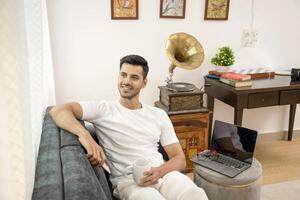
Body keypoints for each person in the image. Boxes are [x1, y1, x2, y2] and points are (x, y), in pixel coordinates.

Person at [50, 54, 208, 200]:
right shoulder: (103, 109)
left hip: (164, 174)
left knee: (195, 193)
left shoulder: (159, 115)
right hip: (129, 182)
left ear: (144, 82)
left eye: (134, 77)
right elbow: (58, 110)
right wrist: (84, 135)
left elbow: (180, 160)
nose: (126, 81)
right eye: (123, 75)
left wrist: (159, 171)